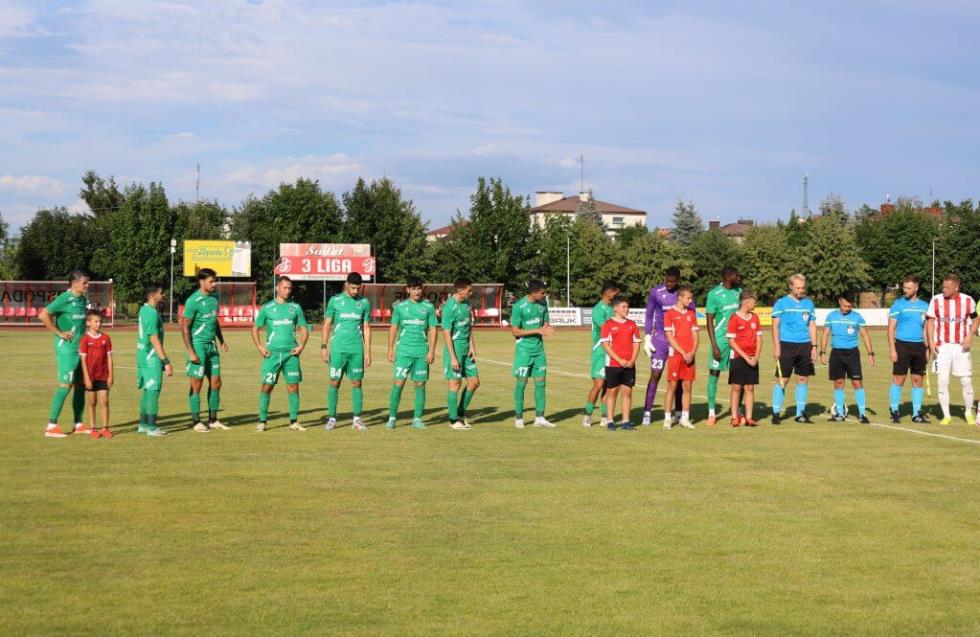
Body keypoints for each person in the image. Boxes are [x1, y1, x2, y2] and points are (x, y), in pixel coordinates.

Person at [252, 276, 309, 432]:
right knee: (267, 387)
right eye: (285, 287)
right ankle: (262, 421)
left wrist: (301, 346)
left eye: (290, 288)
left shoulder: (295, 308)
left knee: (293, 387)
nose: (288, 290)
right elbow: (255, 328)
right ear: (277, 288)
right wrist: (259, 346)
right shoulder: (267, 308)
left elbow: (304, 328)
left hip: (291, 355)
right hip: (272, 355)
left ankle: (293, 422)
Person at [39, 270, 90, 438]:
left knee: (81, 386)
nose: (87, 285)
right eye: (85, 283)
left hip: (81, 349)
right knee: (65, 385)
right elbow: (43, 314)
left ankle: (79, 423)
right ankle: (51, 426)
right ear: (75, 284)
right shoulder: (63, 299)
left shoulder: (83, 300)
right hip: (67, 349)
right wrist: (59, 332)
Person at [642, 267, 694, 426]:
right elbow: (650, 313)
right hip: (660, 341)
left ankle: (678, 413)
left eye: (673, 281)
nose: (670, 284)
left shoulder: (685, 294)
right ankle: (647, 412)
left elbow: (690, 316)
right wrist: (647, 336)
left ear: (678, 280)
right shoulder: (656, 291)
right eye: (667, 280)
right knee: (655, 374)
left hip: (678, 343)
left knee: (678, 378)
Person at [322, 272, 372, 431]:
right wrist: (324, 347)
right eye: (353, 287)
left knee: (357, 382)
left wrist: (368, 351)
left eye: (358, 288)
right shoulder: (335, 301)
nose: (356, 291)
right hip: (338, 350)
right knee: (334, 382)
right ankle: (331, 418)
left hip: (356, 350)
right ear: (346, 284)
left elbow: (366, 327)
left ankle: (356, 419)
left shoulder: (364, 302)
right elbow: (327, 324)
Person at [387, 277, 438, 429]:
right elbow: (393, 328)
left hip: (421, 352)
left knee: (420, 384)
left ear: (422, 289)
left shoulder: (428, 307)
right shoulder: (400, 307)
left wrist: (432, 351)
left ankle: (417, 419)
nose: (417, 292)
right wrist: (390, 349)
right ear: (408, 289)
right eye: (413, 289)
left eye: (419, 289)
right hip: (403, 351)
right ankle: (392, 418)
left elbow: (434, 329)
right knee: (398, 383)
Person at [925, 274, 977, 425]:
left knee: (966, 380)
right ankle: (946, 415)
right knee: (942, 381)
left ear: (956, 287)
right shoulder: (936, 300)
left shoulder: (968, 300)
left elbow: (976, 319)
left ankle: (968, 412)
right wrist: (931, 341)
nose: (944, 289)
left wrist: (969, 337)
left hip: (961, 347)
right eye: (943, 287)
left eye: (947, 287)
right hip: (942, 347)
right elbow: (930, 321)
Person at [182, 268, 229, 432]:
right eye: (211, 281)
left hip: (212, 345)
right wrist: (190, 351)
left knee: (216, 382)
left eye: (214, 281)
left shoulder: (215, 298)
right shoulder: (192, 301)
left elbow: (214, 320)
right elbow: (185, 326)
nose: (214, 284)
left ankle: (213, 419)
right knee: (197, 383)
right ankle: (196, 421)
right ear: (201, 282)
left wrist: (221, 340)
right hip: (198, 345)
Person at [819, 292, 874, 423]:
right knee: (838, 383)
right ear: (839, 302)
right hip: (836, 354)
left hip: (852, 354)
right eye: (844, 306)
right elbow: (825, 334)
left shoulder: (857, 317)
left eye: (849, 306)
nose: (847, 308)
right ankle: (839, 413)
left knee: (857, 383)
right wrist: (822, 352)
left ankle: (862, 414)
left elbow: (865, 335)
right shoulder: (831, 316)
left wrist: (870, 353)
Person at [771, 274, 817, 424]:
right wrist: (777, 346)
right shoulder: (781, 303)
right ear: (791, 286)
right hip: (786, 345)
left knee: (803, 379)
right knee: (783, 380)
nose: (801, 290)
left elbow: (811, 325)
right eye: (798, 287)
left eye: (803, 288)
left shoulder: (809, 304)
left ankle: (800, 414)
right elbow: (775, 326)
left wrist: (814, 347)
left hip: (805, 346)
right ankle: (776, 414)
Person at [511, 279, 555, 428]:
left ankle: (540, 418)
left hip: (539, 350)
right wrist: (537, 330)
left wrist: (546, 327)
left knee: (541, 382)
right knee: (521, 383)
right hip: (524, 350)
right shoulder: (519, 307)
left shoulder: (543, 304)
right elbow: (515, 331)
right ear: (534, 293)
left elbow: (545, 322)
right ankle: (518, 418)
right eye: (542, 293)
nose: (545, 295)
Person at [887, 275, 930, 423]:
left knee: (918, 380)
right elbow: (891, 328)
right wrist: (892, 349)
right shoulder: (898, 305)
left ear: (916, 288)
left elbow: (926, 329)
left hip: (919, 347)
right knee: (899, 378)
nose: (905, 290)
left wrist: (927, 347)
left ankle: (916, 413)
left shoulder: (925, 306)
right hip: (902, 345)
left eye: (908, 288)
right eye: (904, 287)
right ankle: (894, 411)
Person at [704, 267, 742, 426]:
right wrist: (714, 345)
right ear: (728, 277)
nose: (739, 278)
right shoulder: (714, 294)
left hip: (737, 340)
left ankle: (738, 412)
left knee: (739, 377)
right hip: (720, 340)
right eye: (736, 276)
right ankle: (712, 413)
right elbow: (709, 321)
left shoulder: (739, 292)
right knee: (714, 374)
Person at [136, 282, 173, 437]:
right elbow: (154, 338)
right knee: (153, 390)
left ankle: (144, 424)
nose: (163, 295)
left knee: (147, 390)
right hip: (151, 357)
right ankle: (151, 427)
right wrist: (165, 361)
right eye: (161, 293)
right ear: (152, 295)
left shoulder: (145, 310)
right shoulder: (150, 312)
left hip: (143, 355)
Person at [442, 277, 480, 430]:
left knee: (474, 382)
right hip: (455, 351)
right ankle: (453, 421)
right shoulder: (449, 307)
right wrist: (452, 357)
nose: (471, 293)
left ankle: (460, 413)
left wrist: (472, 346)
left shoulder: (466, 304)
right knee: (455, 383)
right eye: (469, 290)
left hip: (466, 350)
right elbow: (446, 333)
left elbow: (468, 327)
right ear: (460, 290)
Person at [599, 295, 641, 430]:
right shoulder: (608, 325)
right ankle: (610, 421)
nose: (626, 309)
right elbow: (606, 346)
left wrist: (632, 360)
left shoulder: (632, 324)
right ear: (615, 308)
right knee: (612, 392)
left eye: (627, 307)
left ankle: (625, 421)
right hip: (613, 365)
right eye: (623, 307)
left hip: (629, 365)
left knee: (627, 392)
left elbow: (636, 344)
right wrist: (620, 360)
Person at [584, 281, 619, 427]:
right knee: (598, 384)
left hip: (612, 351)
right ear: (608, 292)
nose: (617, 294)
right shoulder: (599, 309)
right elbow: (605, 328)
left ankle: (605, 416)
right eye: (615, 292)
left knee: (608, 385)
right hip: (600, 350)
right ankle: (587, 415)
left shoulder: (612, 308)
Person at [726, 290, 763, 427]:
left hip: (752, 358)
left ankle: (749, 418)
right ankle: (734, 417)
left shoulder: (755, 318)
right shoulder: (734, 318)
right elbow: (731, 341)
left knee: (750, 387)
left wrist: (756, 357)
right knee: (737, 387)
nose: (755, 304)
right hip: (738, 357)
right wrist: (746, 357)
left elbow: (759, 339)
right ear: (747, 302)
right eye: (754, 301)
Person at [663, 285, 698, 429]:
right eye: (688, 298)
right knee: (672, 386)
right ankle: (667, 418)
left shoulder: (691, 314)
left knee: (688, 386)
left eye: (691, 298)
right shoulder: (669, 314)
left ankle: (685, 418)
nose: (690, 300)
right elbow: (670, 337)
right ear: (680, 298)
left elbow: (696, 336)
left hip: (689, 357)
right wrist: (684, 353)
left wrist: (692, 353)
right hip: (676, 356)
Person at [78, 310, 113, 438]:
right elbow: (83, 360)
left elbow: (109, 357)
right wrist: (86, 378)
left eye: (100, 321)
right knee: (92, 402)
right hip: (91, 377)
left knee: (105, 401)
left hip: (103, 375)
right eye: (96, 321)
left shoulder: (106, 338)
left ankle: (105, 428)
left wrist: (111, 375)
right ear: (88, 323)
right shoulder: (85, 339)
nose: (99, 324)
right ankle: (93, 428)